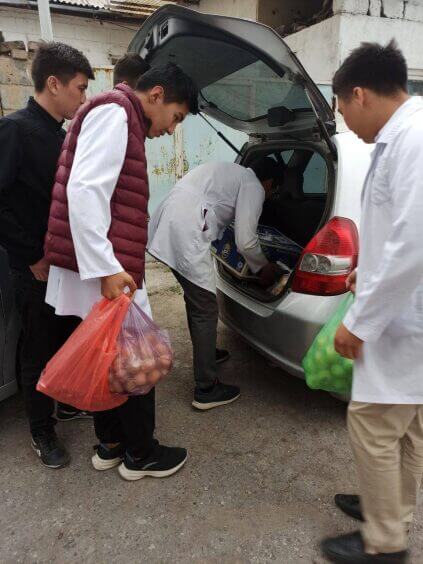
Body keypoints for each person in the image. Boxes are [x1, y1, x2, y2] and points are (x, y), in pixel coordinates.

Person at [44, 63, 199, 481]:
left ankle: (111, 444)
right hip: (109, 268)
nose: (171, 129)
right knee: (138, 357)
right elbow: (85, 190)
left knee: (108, 355)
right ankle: (141, 455)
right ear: (156, 95)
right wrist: (106, 268)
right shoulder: (116, 113)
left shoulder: (119, 115)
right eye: (175, 117)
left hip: (102, 265)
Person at [321, 41, 423, 564]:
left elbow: (415, 242)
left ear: (358, 94)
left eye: (341, 108)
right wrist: (369, 270)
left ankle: (385, 543)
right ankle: (389, 511)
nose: (345, 120)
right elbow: (398, 231)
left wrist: (360, 321)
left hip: (406, 321)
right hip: (404, 312)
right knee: (407, 428)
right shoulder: (402, 136)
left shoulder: (414, 138)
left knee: (374, 423)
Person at [0, 42, 94, 469]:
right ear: (53, 84)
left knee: (66, 337)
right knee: (36, 347)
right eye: (80, 88)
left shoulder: (61, 134)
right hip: (33, 267)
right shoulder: (15, 130)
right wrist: (31, 254)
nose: (83, 98)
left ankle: (66, 402)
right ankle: (41, 428)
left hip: (64, 263)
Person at [148, 159, 282, 411]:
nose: (270, 195)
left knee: (196, 299)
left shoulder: (232, 171)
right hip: (186, 228)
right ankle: (206, 388)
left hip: (170, 218)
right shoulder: (253, 185)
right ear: (269, 182)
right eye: (273, 190)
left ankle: (206, 352)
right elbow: (246, 241)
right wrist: (264, 268)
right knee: (206, 308)